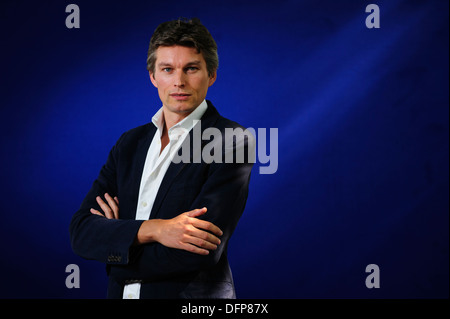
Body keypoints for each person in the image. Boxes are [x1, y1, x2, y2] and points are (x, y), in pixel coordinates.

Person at [69, 18, 254, 299]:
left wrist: (116, 248)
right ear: (153, 76)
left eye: (191, 69)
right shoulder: (129, 143)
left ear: (212, 74)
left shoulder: (231, 140)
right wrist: (156, 230)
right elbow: (82, 233)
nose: (179, 81)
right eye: (167, 69)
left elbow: (200, 252)